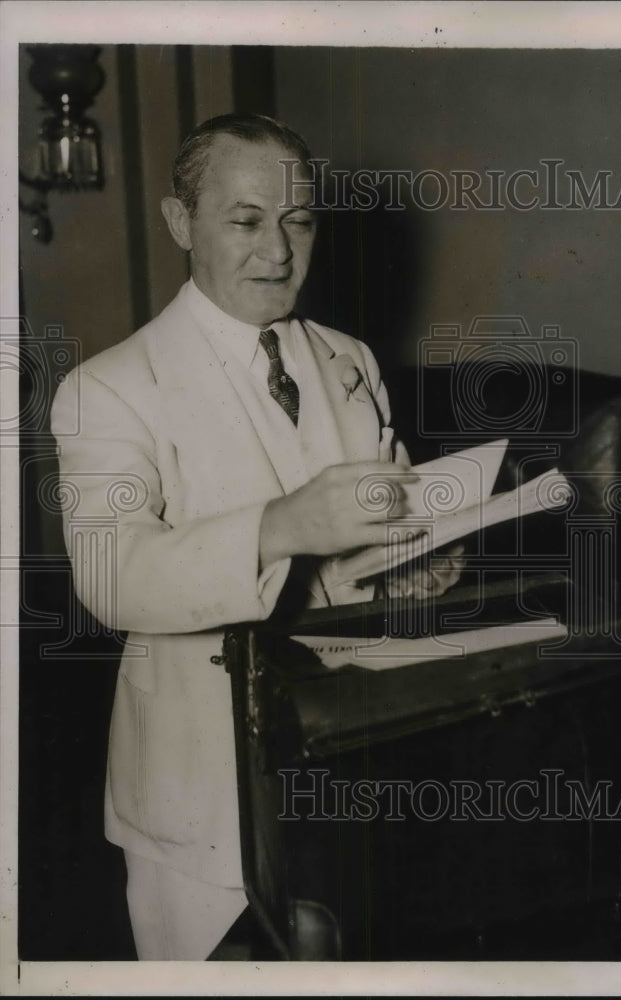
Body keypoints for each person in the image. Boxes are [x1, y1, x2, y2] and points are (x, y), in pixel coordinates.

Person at [50, 113, 463, 960]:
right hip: (202, 777)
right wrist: (280, 528)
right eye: (244, 221)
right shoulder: (111, 388)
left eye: (298, 220)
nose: (276, 250)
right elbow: (111, 574)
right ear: (180, 224)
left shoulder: (349, 359)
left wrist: (412, 563)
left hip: (352, 748)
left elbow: (382, 526)